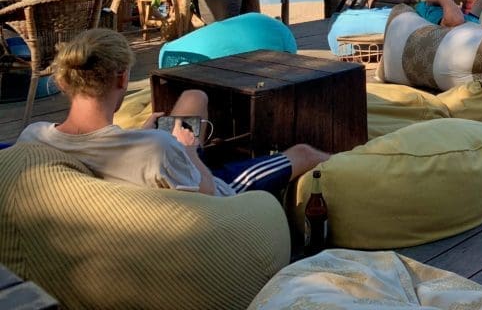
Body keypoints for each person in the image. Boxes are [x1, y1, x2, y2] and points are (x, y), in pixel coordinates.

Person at [17, 28, 328, 197]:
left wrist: (138, 133)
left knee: (195, 97)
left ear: (63, 82)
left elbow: (102, 148)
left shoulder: (32, 136)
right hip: (215, 188)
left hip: (148, 158)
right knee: (303, 152)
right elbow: (211, 198)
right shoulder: (157, 148)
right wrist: (187, 150)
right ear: (122, 78)